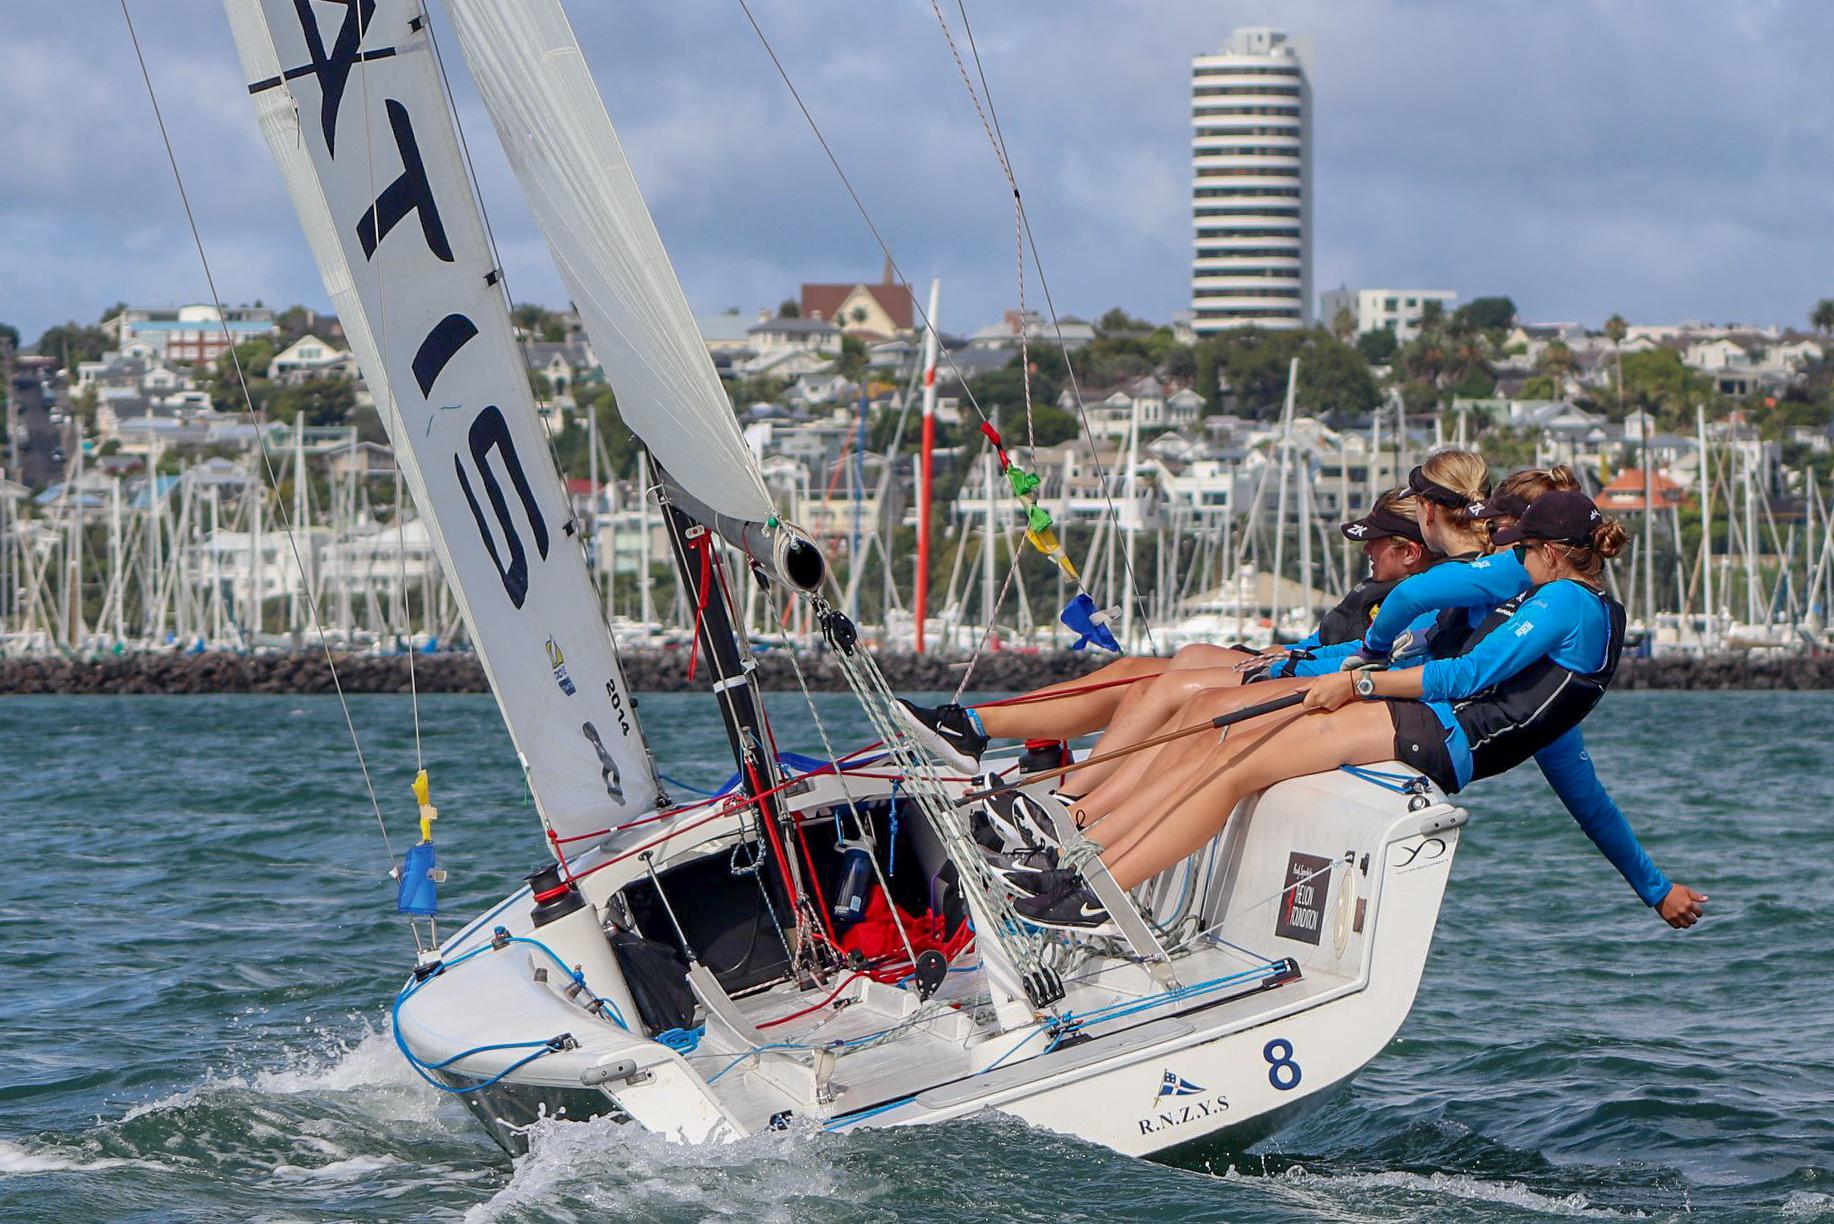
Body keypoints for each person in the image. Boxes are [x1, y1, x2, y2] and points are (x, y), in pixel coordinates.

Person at [1011, 491, 1708, 934]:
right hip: (1442, 732)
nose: (1512, 556)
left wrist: (1361, 685)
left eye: (1522, 548)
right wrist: (1653, 887)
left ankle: (1097, 890)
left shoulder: (1565, 603)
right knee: (1231, 745)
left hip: (1445, 739)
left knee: (1234, 764)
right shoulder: (1593, 610)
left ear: (1551, 553)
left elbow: (1466, 675)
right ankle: (1086, 874)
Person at [893, 483, 1439, 775]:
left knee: (1173, 682)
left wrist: (1288, 659)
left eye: (1376, 543)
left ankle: (1077, 798)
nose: (1366, 552)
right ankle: (972, 726)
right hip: (1295, 662)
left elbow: (1370, 659)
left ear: (1408, 552)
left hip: (1315, 683)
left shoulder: (1415, 600)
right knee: (1134, 669)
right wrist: (1290, 649)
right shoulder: (1391, 590)